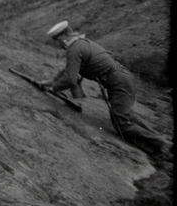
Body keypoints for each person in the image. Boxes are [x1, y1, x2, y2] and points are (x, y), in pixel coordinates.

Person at [43, 21, 171, 156]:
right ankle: (159, 138)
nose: (59, 44)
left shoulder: (74, 48)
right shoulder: (81, 43)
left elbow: (70, 78)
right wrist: (51, 82)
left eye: (58, 40)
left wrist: (54, 89)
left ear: (63, 36)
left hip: (118, 81)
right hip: (121, 77)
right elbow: (69, 70)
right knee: (127, 115)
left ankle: (163, 144)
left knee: (121, 124)